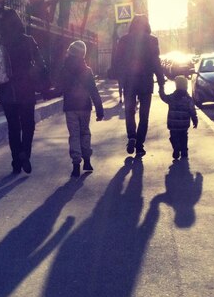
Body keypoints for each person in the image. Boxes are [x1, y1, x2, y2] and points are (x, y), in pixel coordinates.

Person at [0, 8, 50, 174]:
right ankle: (25, 154)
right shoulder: (29, 41)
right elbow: (41, 64)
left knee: (13, 127)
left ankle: (16, 161)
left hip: (7, 91)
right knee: (28, 125)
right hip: (26, 89)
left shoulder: (0, 44)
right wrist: (44, 83)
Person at [111, 14, 165, 157]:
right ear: (147, 25)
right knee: (144, 115)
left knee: (129, 112)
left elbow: (117, 62)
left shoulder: (123, 40)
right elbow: (156, 63)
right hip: (146, 83)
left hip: (129, 83)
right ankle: (140, 145)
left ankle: (132, 137)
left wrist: (121, 77)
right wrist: (161, 82)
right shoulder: (152, 40)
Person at [56, 40, 104, 178]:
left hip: (70, 107)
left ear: (70, 52)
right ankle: (87, 161)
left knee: (74, 135)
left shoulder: (64, 70)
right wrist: (99, 109)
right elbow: (93, 91)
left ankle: (76, 165)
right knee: (85, 132)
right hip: (85, 107)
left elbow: (59, 89)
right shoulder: (87, 71)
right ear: (83, 54)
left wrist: (47, 93)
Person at [159, 75, 198, 160]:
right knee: (184, 136)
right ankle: (184, 151)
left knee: (173, 137)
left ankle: (176, 148)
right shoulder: (188, 99)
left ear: (176, 86)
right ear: (186, 86)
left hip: (173, 124)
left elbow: (163, 97)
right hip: (184, 124)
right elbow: (192, 110)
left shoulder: (172, 98)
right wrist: (195, 120)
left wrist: (161, 87)